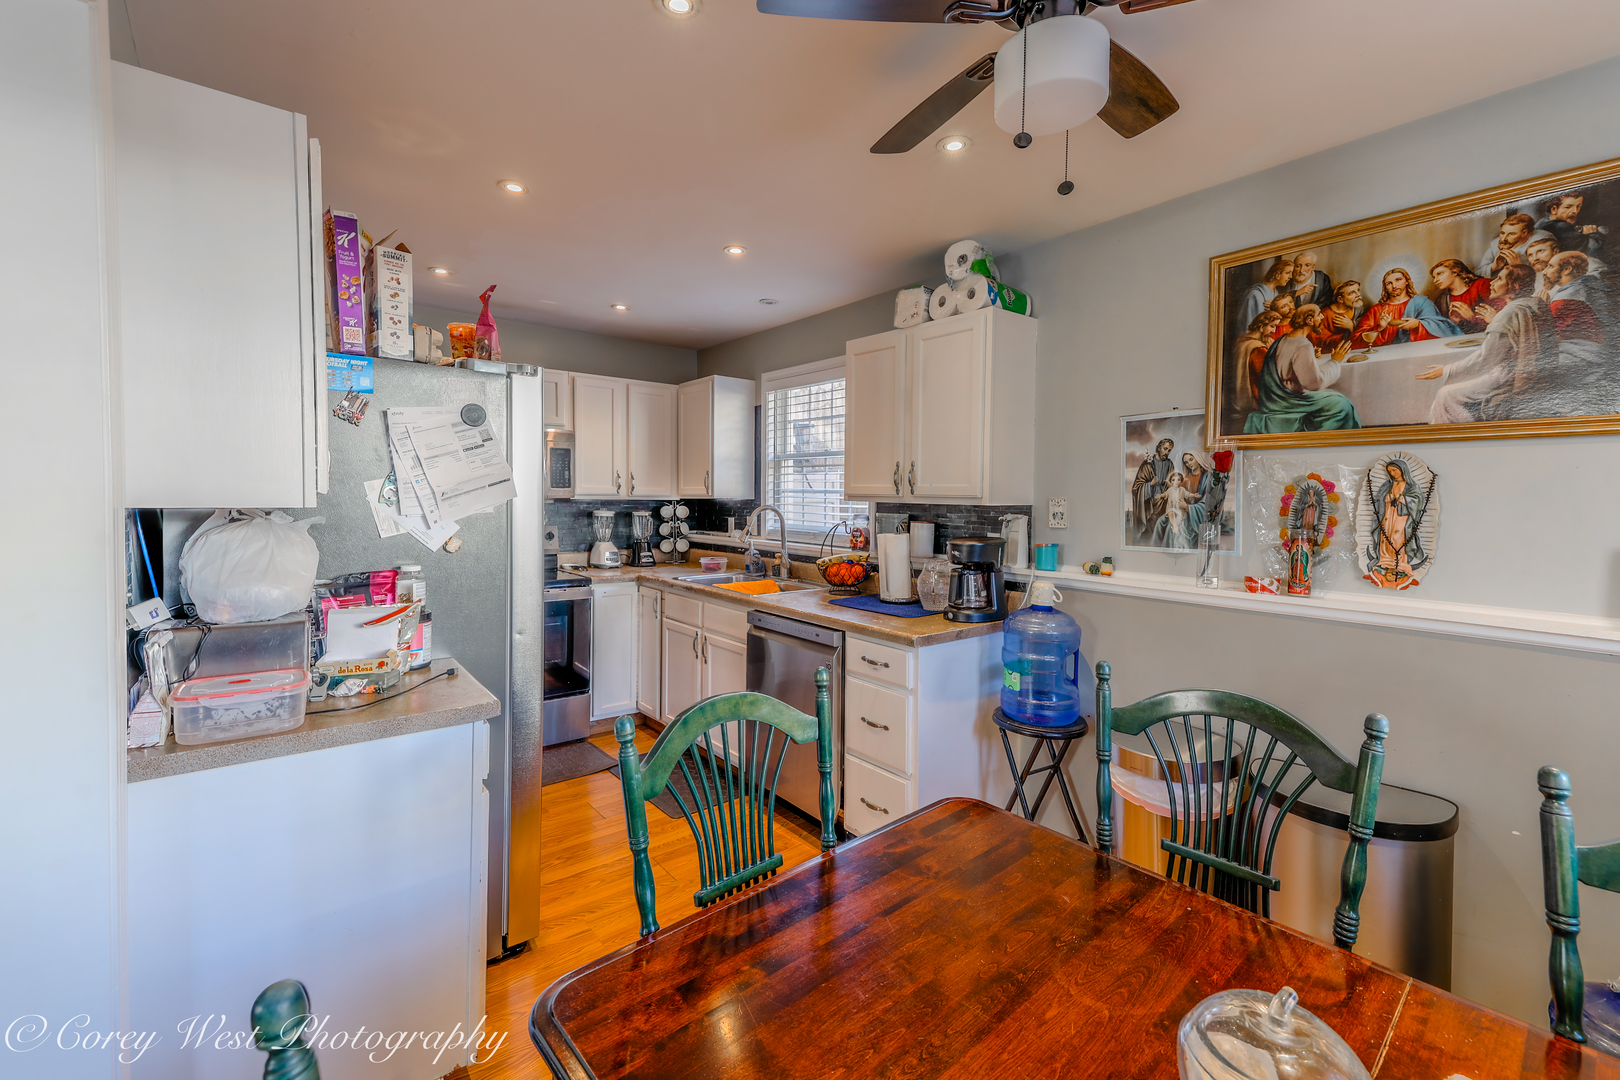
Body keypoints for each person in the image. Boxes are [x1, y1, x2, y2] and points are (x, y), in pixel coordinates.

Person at [1415, 264, 1557, 422]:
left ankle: (1464, 431)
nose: (1492, 282)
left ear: (1514, 286)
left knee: (1445, 394)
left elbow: (1487, 358)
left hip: (1509, 376)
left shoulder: (1507, 314)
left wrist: (1447, 369)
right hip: (1533, 372)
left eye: (1499, 279)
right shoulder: (1535, 304)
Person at [1244, 305, 1360, 433]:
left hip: (1277, 398)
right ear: (1309, 320)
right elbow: (1314, 384)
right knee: (1342, 404)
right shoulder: (1302, 345)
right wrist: (1335, 361)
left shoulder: (1285, 339)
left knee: (1336, 397)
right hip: (1290, 400)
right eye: (1319, 314)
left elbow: (1293, 370)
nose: (1322, 317)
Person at [1363, 459, 1428, 590]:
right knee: (1385, 536)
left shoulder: (1412, 486)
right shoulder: (1388, 484)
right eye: (1390, 471)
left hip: (1402, 517)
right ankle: (1385, 558)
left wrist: (1402, 498)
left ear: (1403, 469)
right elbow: (1381, 499)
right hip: (1388, 514)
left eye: (1394, 470)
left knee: (1398, 537)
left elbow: (1417, 501)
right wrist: (1388, 498)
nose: (1392, 473)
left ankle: (1400, 561)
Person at [1353, 268, 1462, 346]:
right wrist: (1379, 327)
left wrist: (1418, 324)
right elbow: (1355, 340)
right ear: (1385, 287)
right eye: (1389, 283)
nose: (1394, 286)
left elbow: (1441, 327)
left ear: (1406, 281)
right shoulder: (1376, 310)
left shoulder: (1422, 302)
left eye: (1398, 280)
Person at [1235, 257, 1295, 345]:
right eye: (1287, 273)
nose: (1290, 277)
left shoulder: (1275, 293)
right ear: (1277, 274)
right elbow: (1248, 325)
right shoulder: (1255, 294)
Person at [1233, 311, 1284, 411]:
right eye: (1272, 326)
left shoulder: (1240, 341)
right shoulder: (1258, 349)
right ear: (1261, 326)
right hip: (1256, 398)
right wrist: (1271, 354)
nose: (1274, 331)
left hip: (1237, 397)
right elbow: (1268, 376)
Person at [1536, 192, 1609, 260]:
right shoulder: (1563, 226)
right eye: (1568, 207)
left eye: (1578, 206)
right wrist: (1591, 232)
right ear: (1554, 209)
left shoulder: (1542, 221)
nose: (1575, 211)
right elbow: (1592, 248)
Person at [1130, 438, 1175, 541]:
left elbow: (1173, 481)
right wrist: (1150, 484)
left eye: (1169, 450)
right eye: (1165, 449)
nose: (1167, 452)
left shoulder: (1170, 464)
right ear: (1158, 448)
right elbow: (1136, 488)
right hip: (1150, 502)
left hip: (1165, 500)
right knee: (1151, 525)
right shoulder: (1147, 464)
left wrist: (1170, 485)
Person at [1430, 259, 1492, 332]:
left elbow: (1499, 315)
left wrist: (1472, 317)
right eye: (1434, 277)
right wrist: (1455, 322)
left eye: (1440, 274)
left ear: (1455, 272)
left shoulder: (1482, 285)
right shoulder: (1443, 299)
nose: (1435, 280)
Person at [1475, 213, 1541, 277]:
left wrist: (1519, 267)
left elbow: (1542, 275)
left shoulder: (1538, 242)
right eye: (1502, 233)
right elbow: (1478, 272)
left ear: (1524, 233)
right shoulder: (1494, 244)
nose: (1504, 239)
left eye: (1512, 234)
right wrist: (1494, 267)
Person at [1309, 280, 1363, 351]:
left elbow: (1363, 334)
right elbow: (1321, 339)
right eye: (1351, 293)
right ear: (1340, 299)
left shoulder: (1358, 310)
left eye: (1358, 290)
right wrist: (1345, 335)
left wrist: (1351, 326)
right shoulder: (1325, 314)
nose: (1358, 294)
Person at [1152, 471, 1197, 551]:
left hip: (1179, 509)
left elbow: (1188, 494)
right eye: (1173, 480)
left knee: (1180, 516)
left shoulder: (1182, 490)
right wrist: (1160, 496)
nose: (1176, 482)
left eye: (1178, 480)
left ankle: (1174, 526)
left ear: (1181, 481)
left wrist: (1194, 495)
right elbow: (1165, 494)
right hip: (1171, 508)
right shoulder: (1170, 490)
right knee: (1170, 514)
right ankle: (1174, 525)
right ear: (1171, 481)